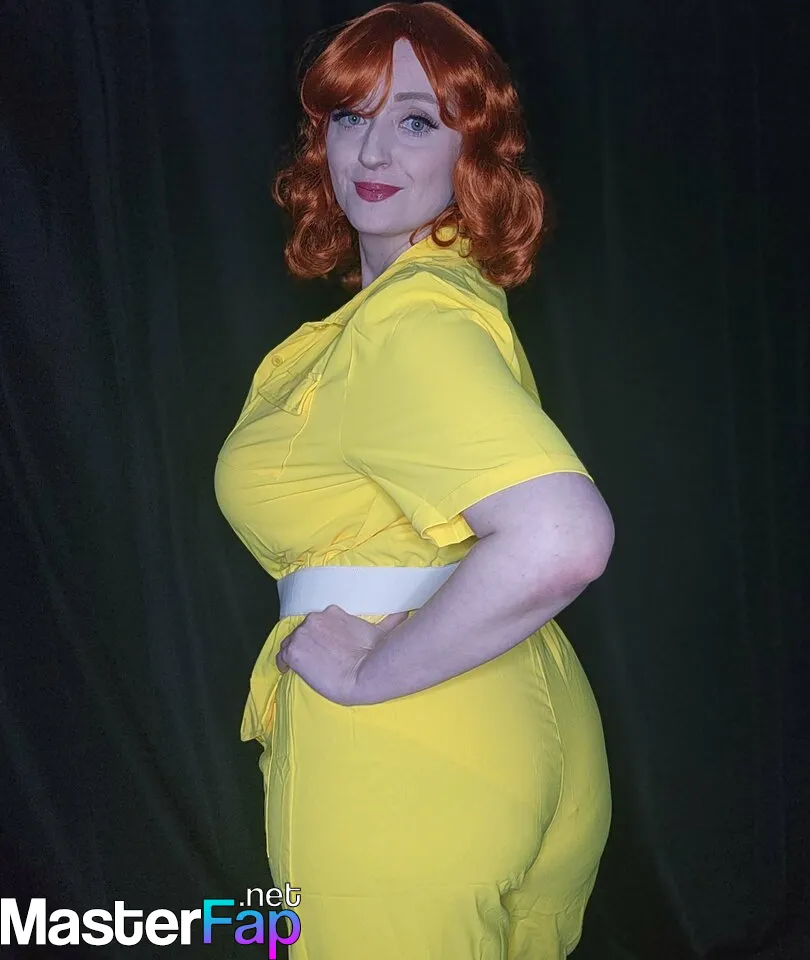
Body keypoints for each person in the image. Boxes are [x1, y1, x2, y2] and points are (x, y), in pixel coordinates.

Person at [214, 3, 614, 957]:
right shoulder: (442, 301)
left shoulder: (410, 323)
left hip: (409, 747)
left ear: (473, 150)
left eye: (418, 120)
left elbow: (563, 535)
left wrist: (370, 676)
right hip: (524, 719)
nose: (372, 150)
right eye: (351, 116)